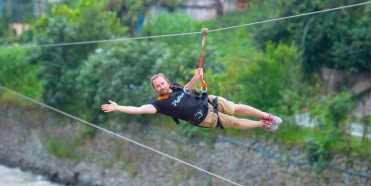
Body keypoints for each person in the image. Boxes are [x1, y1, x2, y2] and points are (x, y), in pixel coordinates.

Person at [101, 68, 282, 131]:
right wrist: (118, 107)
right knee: (234, 122)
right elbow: (139, 109)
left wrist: (196, 76)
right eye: (158, 86)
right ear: (155, 90)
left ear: (166, 81)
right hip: (203, 117)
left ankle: (268, 116)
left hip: (206, 100)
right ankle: (262, 124)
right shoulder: (159, 104)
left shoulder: (176, 87)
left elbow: (190, 88)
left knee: (235, 107)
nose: (162, 86)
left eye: (163, 83)